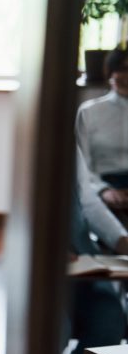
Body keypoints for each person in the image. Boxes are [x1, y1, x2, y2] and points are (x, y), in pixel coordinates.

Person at [66, 148, 128, 354]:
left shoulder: (71, 145)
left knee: (110, 317)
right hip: (45, 271)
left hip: (83, 264)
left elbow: (88, 202)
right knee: (58, 325)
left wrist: (121, 240)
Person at [76, 47, 128, 225]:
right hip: (102, 185)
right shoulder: (89, 112)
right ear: (110, 74)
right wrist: (103, 190)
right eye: (122, 69)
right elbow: (81, 164)